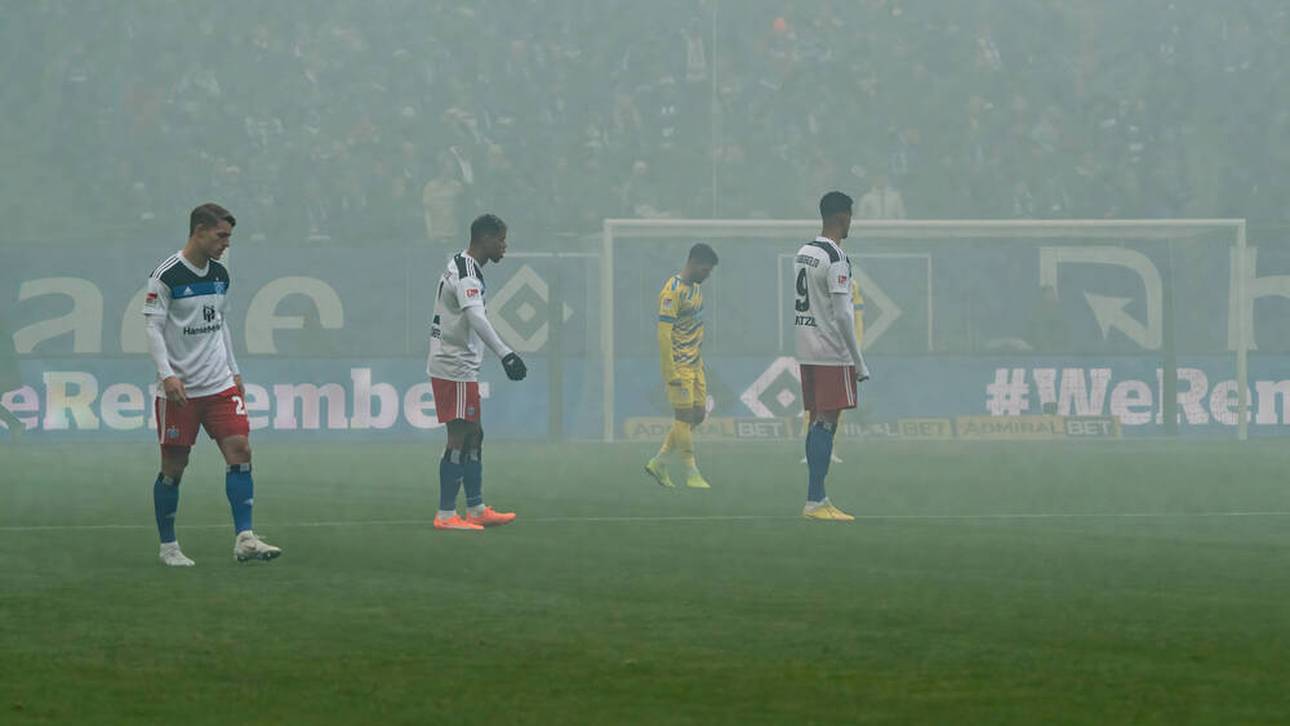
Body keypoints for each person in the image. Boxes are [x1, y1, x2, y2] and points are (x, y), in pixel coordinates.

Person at [143, 203, 281, 566]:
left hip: (219, 384)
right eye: (221, 235)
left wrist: (234, 371)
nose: (226, 243)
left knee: (241, 451)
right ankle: (168, 547)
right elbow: (153, 327)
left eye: (229, 237)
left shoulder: (220, 273)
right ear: (199, 231)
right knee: (175, 465)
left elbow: (221, 324)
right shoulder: (167, 274)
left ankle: (245, 539)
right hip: (180, 390)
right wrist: (167, 375)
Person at [426, 213, 528, 531]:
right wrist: (506, 354)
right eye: (501, 240)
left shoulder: (460, 263)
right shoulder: (468, 274)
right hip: (453, 365)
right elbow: (476, 317)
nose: (504, 247)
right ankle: (445, 515)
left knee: (475, 434)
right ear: (485, 239)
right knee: (459, 436)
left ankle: (476, 508)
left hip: (460, 364)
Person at [793, 192, 871, 522]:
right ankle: (816, 500)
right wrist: (859, 361)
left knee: (816, 421)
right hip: (831, 350)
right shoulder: (836, 257)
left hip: (806, 346)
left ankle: (816, 498)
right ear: (842, 217)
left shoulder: (805, 251)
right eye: (851, 217)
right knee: (827, 422)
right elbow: (842, 314)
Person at [644, 243, 719, 490]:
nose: (707, 276)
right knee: (683, 417)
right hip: (679, 366)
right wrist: (670, 371)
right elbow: (663, 335)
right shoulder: (671, 292)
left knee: (697, 415)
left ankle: (659, 462)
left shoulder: (696, 289)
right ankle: (691, 471)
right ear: (694, 263)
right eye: (706, 270)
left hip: (696, 364)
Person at [801, 275, 863, 463]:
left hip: (841, 352)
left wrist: (856, 349)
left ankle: (830, 448)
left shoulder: (852, 285)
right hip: (817, 349)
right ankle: (810, 449)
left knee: (836, 404)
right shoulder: (814, 283)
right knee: (814, 402)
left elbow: (856, 319)